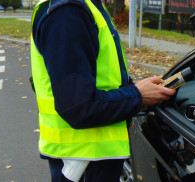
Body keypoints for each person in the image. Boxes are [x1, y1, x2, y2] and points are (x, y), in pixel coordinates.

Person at [30, 0, 176, 181]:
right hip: (82, 165)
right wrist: (137, 96)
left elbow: (100, 81)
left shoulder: (85, 7)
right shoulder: (68, 13)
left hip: (89, 160)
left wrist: (136, 90)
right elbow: (78, 106)